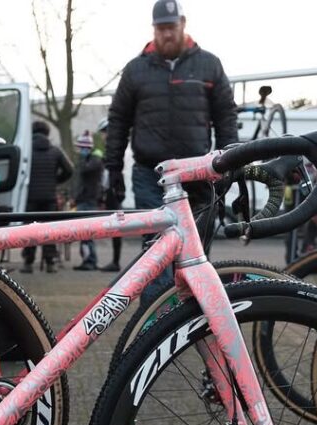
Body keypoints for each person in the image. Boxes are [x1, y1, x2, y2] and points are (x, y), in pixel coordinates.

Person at [103, 0, 238, 289]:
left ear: (183, 24)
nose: (166, 34)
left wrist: (228, 162)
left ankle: (192, 314)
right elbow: (118, 119)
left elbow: (226, 115)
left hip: (198, 174)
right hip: (151, 174)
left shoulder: (209, 65)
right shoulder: (135, 70)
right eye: (161, 28)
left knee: (195, 255)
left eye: (171, 27)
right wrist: (113, 167)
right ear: (153, 29)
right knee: (156, 256)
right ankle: (156, 316)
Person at [21, 120, 73, 273]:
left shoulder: (27, 151)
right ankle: (50, 262)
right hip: (49, 197)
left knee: (30, 230)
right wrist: (55, 181)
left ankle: (28, 262)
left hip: (30, 198)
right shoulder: (55, 151)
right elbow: (69, 170)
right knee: (49, 230)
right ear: (47, 133)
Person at [95, 117, 124, 271]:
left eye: (103, 132)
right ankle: (115, 260)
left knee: (117, 227)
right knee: (115, 227)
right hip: (111, 191)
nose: (102, 135)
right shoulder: (109, 148)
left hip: (115, 190)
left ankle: (116, 261)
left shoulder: (114, 146)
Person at [72, 131, 104, 270]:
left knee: (86, 232)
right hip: (85, 198)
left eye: (81, 148)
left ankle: (89, 261)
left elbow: (84, 171)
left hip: (88, 199)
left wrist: (82, 159)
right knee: (85, 232)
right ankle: (88, 260)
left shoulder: (93, 160)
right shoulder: (92, 159)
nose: (79, 151)